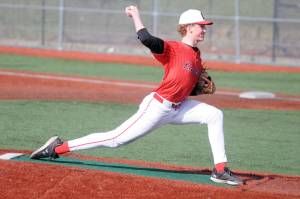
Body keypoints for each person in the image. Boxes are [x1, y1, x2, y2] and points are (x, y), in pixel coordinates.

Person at [30, 5, 243, 186]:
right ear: (189, 28)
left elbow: (185, 82)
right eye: (201, 26)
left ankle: (220, 169)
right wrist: (135, 15)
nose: (205, 30)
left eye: (205, 27)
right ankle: (57, 148)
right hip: (158, 107)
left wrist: (192, 87)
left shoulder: (197, 56)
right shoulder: (173, 48)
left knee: (214, 115)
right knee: (115, 140)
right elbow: (145, 38)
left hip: (179, 107)